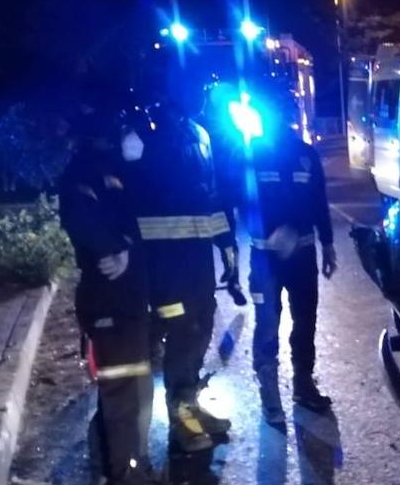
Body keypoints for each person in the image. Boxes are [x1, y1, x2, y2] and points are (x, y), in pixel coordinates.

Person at [59, 95, 179, 485]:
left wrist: (125, 244)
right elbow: (83, 219)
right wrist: (117, 248)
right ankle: (128, 481)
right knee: (127, 393)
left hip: (127, 300)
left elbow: (134, 215)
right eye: (124, 129)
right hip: (110, 300)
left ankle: (107, 470)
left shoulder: (117, 173)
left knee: (125, 390)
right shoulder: (85, 175)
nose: (130, 135)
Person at [126, 95, 239, 451]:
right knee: (180, 332)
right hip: (162, 264)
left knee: (199, 326)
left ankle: (191, 405)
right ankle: (181, 419)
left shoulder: (199, 134)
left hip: (196, 260)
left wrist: (226, 245)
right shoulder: (141, 135)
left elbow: (213, 195)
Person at [230, 82, 337, 425]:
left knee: (305, 322)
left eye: (286, 113)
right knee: (267, 324)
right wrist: (267, 232)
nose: (283, 119)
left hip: (303, 257)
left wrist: (328, 243)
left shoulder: (306, 154)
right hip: (266, 258)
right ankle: (270, 391)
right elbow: (241, 203)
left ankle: (303, 384)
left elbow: (319, 202)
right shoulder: (251, 153)